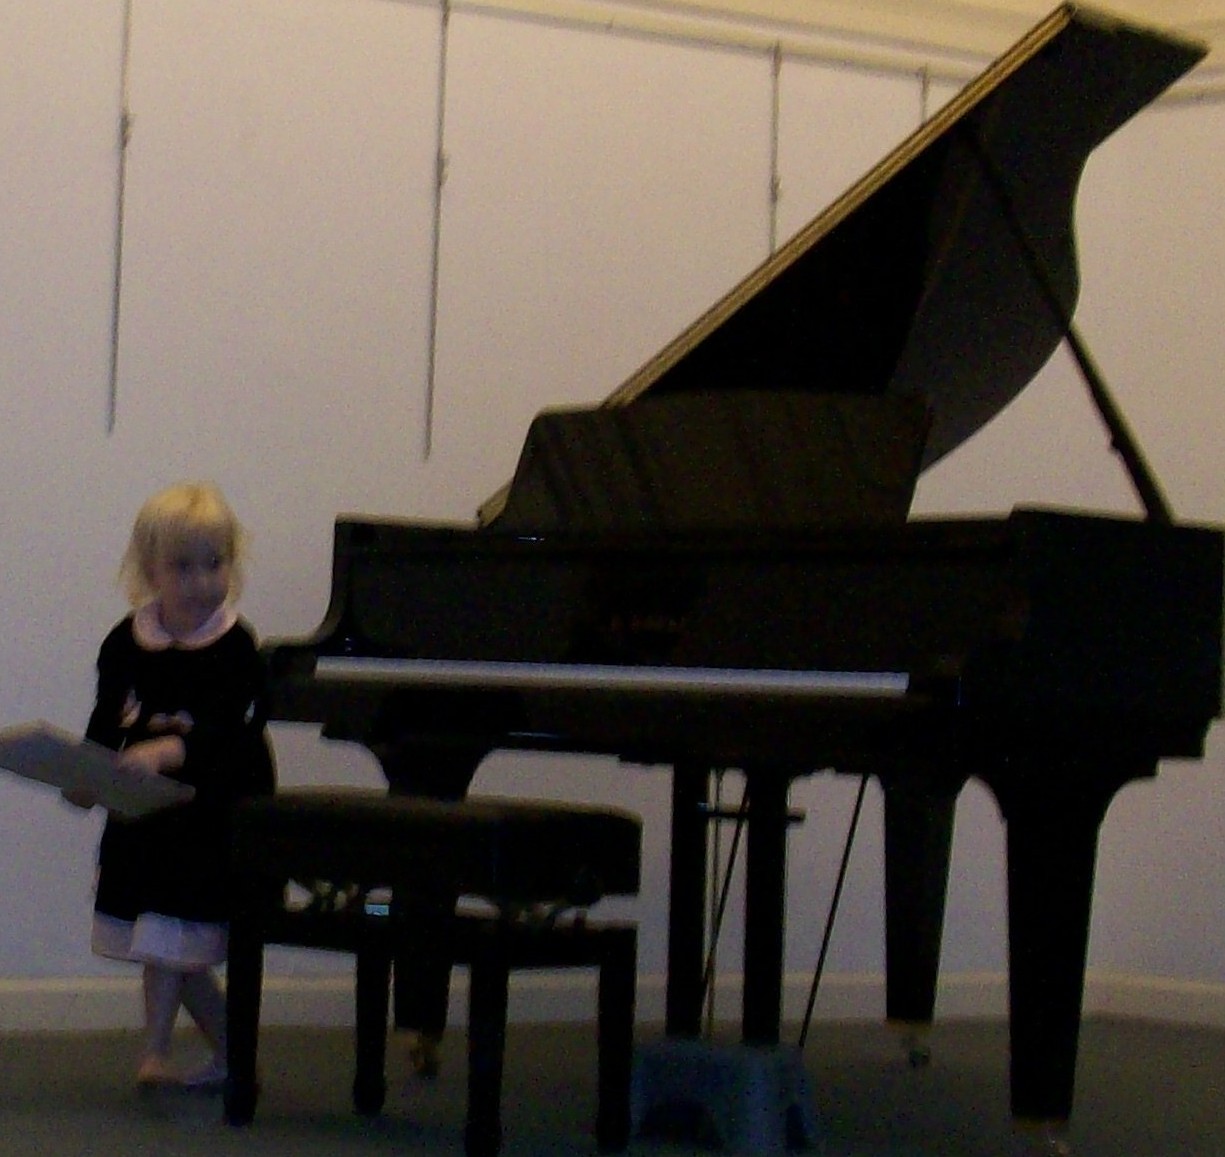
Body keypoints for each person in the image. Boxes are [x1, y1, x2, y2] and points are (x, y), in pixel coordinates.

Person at [66, 481, 275, 1090]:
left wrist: (173, 749)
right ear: (149, 569)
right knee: (162, 941)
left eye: (215, 563)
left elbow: (235, 733)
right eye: (183, 566)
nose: (202, 581)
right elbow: (107, 724)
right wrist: (86, 778)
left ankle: (164, 1052)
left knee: (171, 942)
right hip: (144, 822)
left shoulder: (235, 646)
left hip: (208, 819)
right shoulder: (125, 641)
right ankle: (219, 1054)